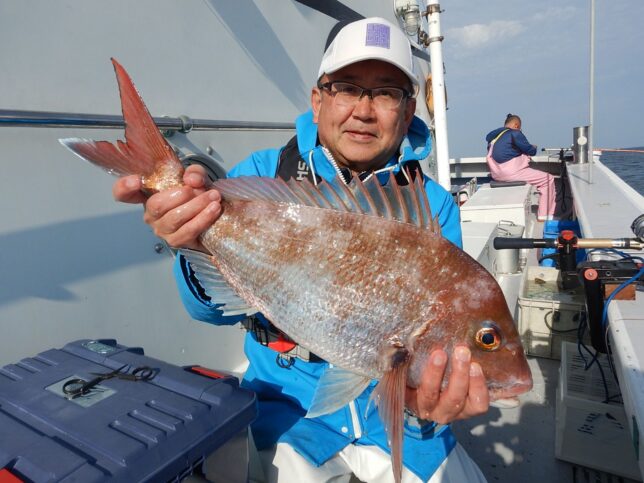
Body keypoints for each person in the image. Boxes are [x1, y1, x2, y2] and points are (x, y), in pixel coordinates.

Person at [113, 17, 488, 483]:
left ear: (409, 110)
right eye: (347, 88)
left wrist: (420, 402)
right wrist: (192, 240)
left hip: (402, 428)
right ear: (318, 99)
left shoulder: (434, 206)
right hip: (288, 407)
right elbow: (207, 311)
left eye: (386, 93)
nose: (364, 110)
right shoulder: (264, 175)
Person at [486, 113, 556, 221]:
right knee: (548, 179)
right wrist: (534, 147)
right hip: (511, 172)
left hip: (496, 174)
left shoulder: (494, 138)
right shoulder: (515, 133)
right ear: (516, 125)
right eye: (520, 128)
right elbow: (531, 151)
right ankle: (544, 215)